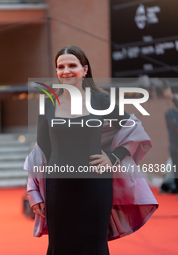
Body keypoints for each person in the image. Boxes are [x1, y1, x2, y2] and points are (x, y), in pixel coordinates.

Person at [24, 46, 158, 255]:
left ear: (84, 70)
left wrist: (114, 157)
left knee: (94, 246)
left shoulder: (100, 100)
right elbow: (40, 152)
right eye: (61, 67)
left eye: (72, 65)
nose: (66, 71)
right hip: (58, 187)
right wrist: (33, 191)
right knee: (60, 246)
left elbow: (133, 127)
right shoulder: (48, 104)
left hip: (95, 185)